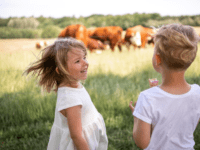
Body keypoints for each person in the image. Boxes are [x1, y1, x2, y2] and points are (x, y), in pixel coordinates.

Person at [24, 38, 108, 150]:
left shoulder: (74, 84)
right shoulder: (70, 99)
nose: (85, 63)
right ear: (61, 71)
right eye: (77, 61)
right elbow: (77, 136)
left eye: (84, 58)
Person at [129, 24, 200, 150]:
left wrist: (137, 116)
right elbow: (186, 125)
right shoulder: (197, 92)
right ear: (191, 58)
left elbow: (142, 143)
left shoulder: (146, 98)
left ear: (157, 59)